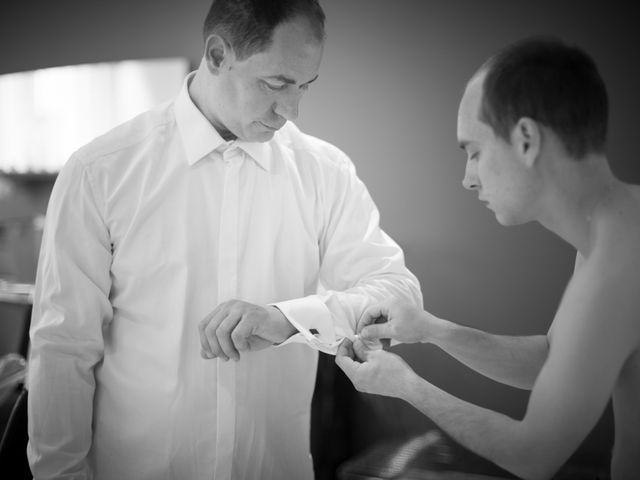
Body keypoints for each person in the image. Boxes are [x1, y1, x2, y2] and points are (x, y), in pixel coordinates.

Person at [27, 1, 422, 479]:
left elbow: (399, 296)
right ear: (217, 55)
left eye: (304, 86)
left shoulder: (325, 172)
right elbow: (63, 347)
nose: (291, 110)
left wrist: (290, 320)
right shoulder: (100, 171)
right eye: (276, 84)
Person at [336, 36, 640, 480]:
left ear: (526, 140)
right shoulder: (612, 235)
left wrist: (406, 386)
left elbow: (534, 455)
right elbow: (551, 364)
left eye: (475, 152)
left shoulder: (615, 269)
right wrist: (430, 329)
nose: (467, 179)